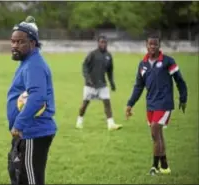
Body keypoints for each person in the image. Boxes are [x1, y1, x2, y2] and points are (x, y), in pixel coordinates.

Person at [126, 34, 188, 175]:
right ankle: (165, 165)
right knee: (158, 135)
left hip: (164, 103)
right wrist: (130, 104)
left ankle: (154, 167)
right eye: (150, 44)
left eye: (155, 44)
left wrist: (183, 98)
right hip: (151, 104)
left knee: (155, 131)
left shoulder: (168, 61)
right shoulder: (143, 65)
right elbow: (138, 86)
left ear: (159, 46)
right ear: (146, 45)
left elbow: (180, 81)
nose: (152, 47)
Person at [6, 16, 57, 185]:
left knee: (30, 180)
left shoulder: (34, 64)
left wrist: (19, 124)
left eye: (20, 42)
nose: (14, 46)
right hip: (25, 132)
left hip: (33, 132)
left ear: (33, 43)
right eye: (13, 41)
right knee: (18, 174)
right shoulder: (27, 62)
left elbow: (37, 98)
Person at [76, 35, 122, 131]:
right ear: (98, 43)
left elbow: (110, 71)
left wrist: (112, 83)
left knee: (107, 102)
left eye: (105, 42)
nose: (103, 44)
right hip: (90, 85)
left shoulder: (108, 56)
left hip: (102, 84)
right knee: (85, 104)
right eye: (101, 42)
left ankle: (111, 124)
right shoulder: (92, 54)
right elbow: (84, 66)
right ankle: (79, 121)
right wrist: (87, 78)